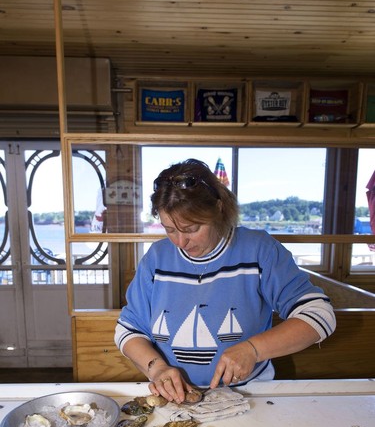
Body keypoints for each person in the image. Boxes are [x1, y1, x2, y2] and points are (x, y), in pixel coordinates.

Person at [115, 158, 336, 404]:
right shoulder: (156, 258)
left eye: (190, 229)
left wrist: (253, 349)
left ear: (218, 209)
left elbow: (319, 315)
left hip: (251, 395)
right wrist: (156, 369)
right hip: (173, 398)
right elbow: (129, 330)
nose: (180, 242)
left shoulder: (259, 250)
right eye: (169, 229)